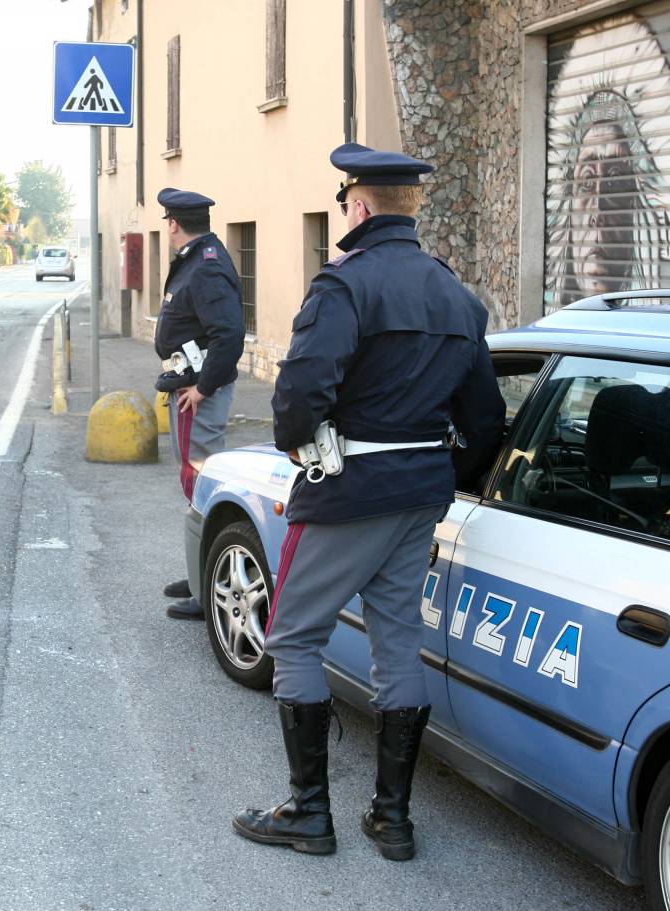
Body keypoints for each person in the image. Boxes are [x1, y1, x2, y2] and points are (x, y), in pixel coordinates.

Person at [231, 144, 505, 860]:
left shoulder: (344, 284)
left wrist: (299, 442)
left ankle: (309, 812)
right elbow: (485, 418)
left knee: (292, 636)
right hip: (419, 495)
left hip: (349, 490)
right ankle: (392, 819)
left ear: (357, 206)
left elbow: (300, 395)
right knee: (396, 643)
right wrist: (433, 469)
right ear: (410, 209)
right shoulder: (458, 296)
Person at [152, 188, 245, 620]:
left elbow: (228, 335)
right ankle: (198, 573)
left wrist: (203, 389)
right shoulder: (199, 256)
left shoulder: (204, 266)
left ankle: (208, 589)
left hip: (198, 394)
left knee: (202, 484)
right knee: (195, 484)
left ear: (173, 223)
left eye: (166, 221)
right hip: (189, 387)